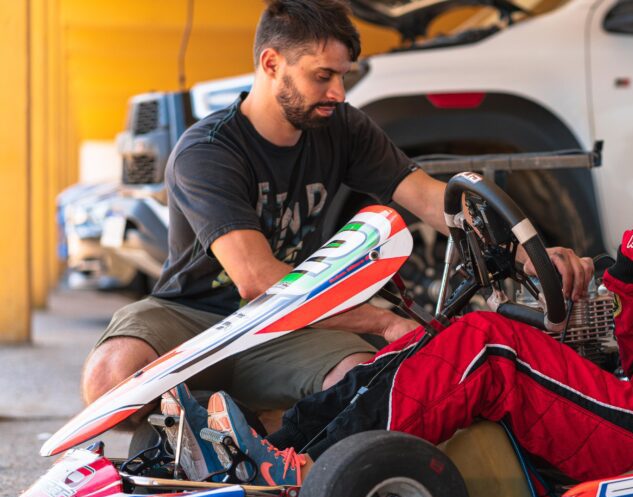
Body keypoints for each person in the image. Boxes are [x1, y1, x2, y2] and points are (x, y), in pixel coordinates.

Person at [171, 28, 633, 486]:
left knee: (489, 349)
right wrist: (622, 277)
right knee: (445, 333)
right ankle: (275, 452)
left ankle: (312, 474)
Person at [81, 0, 592, 430]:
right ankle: (217, 425)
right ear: (271, 63)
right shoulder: (207, 151)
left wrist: (528, 254)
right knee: (110, 380)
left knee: (367, 383)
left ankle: (264, 440)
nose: (338, 93)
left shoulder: (342, 128)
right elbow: (258, 282)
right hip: (196, 317)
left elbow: (431, 199)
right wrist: (382, 321)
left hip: (289, 329)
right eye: (322, 76)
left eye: (342, 76)